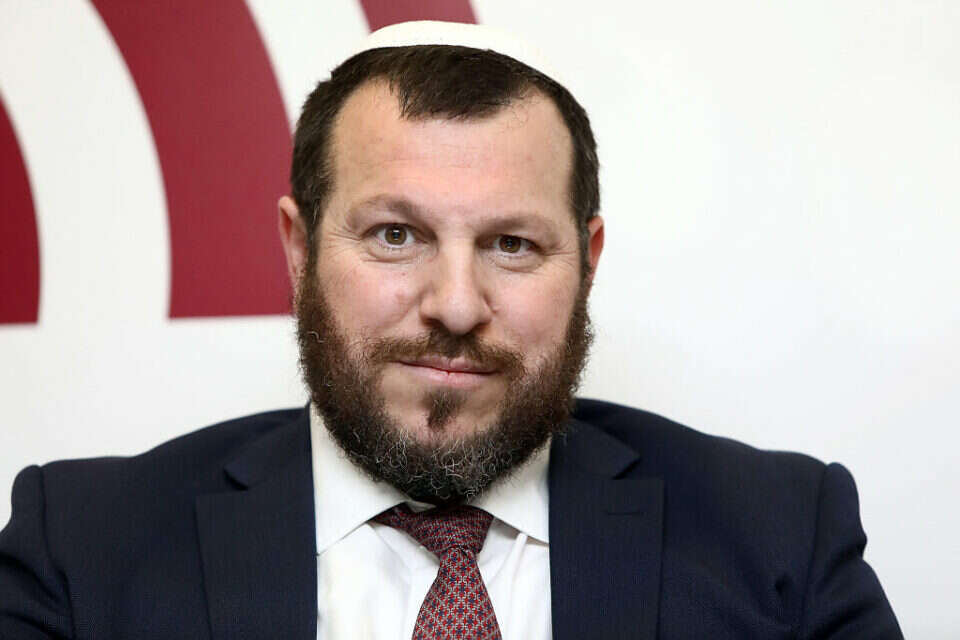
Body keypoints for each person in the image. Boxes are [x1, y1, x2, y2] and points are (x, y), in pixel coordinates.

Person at [0, 20, 901, 640]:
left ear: (588, 262)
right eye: (397, 235)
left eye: (513, 245)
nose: (457, 305)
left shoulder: (781, 539)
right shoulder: (83, 550)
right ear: (299, 250)